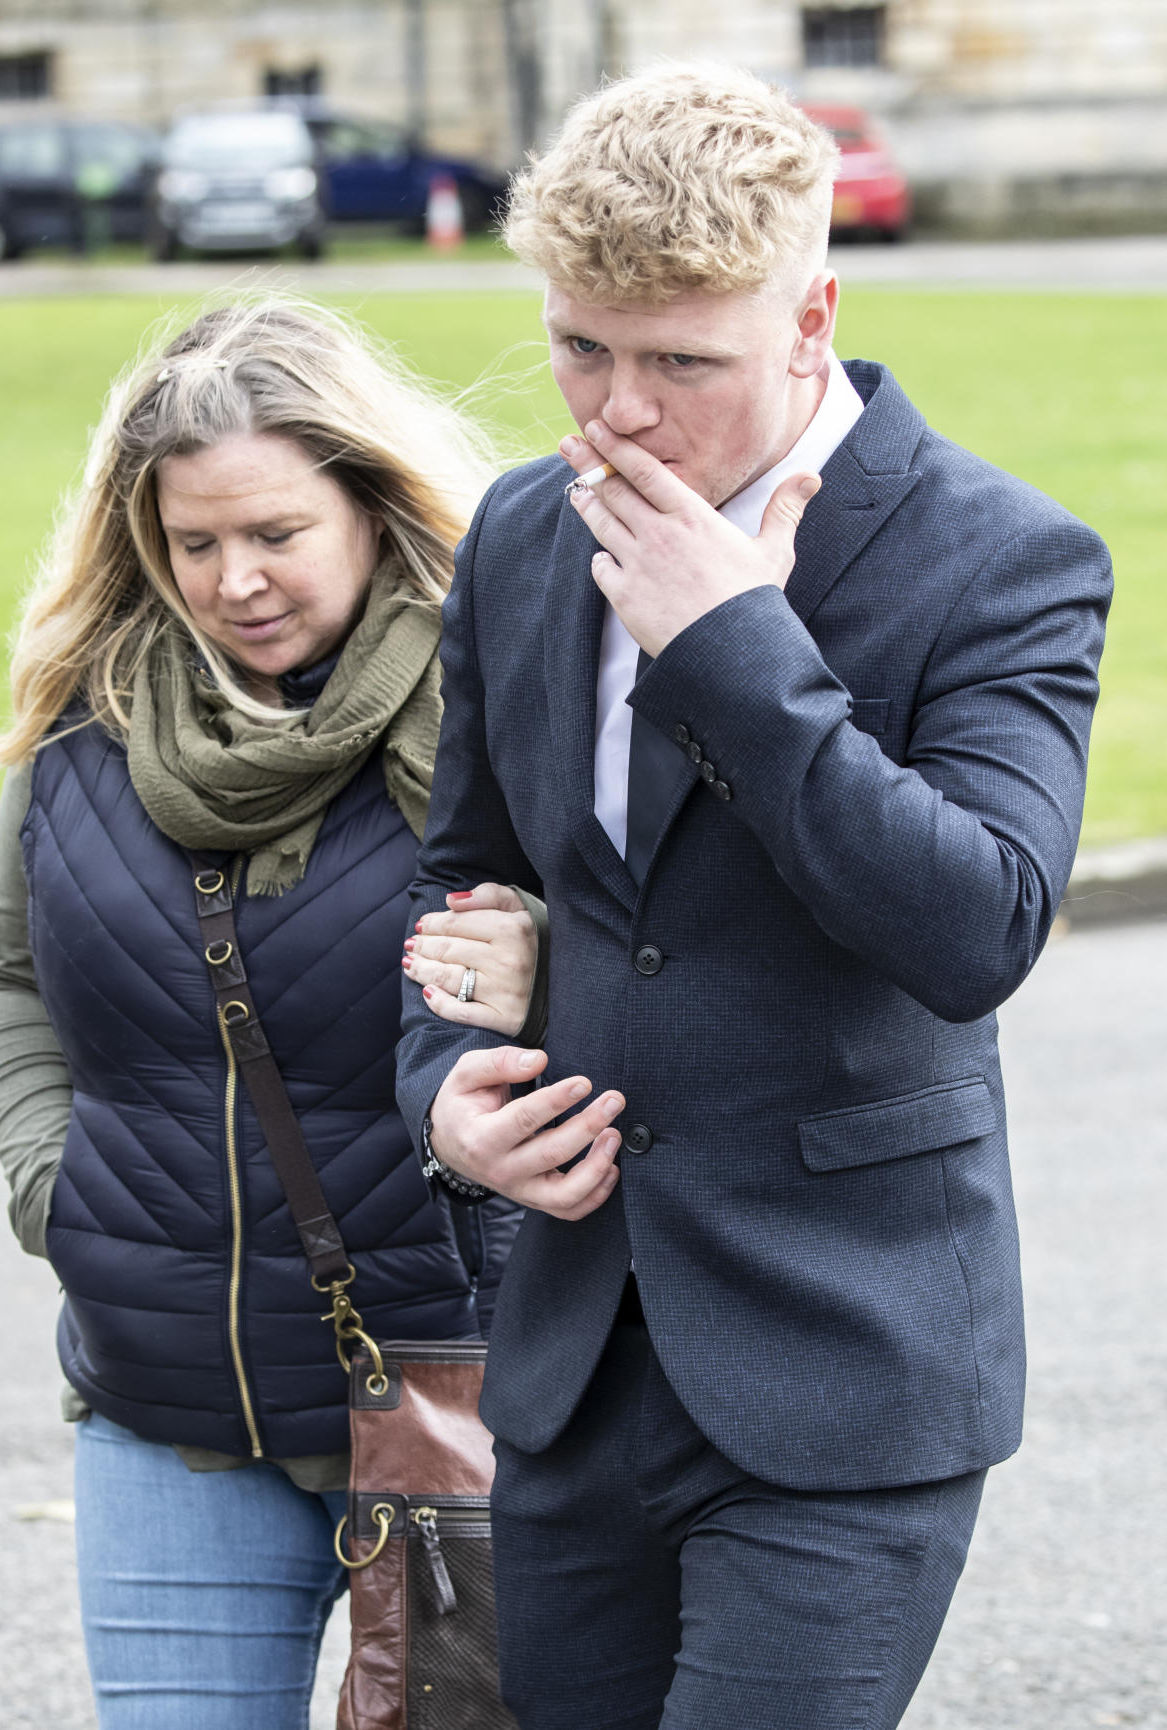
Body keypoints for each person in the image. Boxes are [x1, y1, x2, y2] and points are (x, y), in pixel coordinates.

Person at [395, 65, 1112, 1730]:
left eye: (680, 361)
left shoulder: (1002, 556)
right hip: (575, 1363)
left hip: (845, 1365)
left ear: (812, 316)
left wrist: (734, 652)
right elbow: (463, 882)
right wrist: (446, 1100)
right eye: (581, 347)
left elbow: (976, 928)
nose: (618, 411)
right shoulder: (518, 532)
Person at [0, 297, 543, 1730]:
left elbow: (657, 987)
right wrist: (61, 1189)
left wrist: (553, 957)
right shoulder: (88, 723)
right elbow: (6, 980)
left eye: (276, 534)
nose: (234, 581)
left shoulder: (508, 707)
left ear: (368, 503)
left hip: (467, 1394)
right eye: (194, 542)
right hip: (169, 1409)